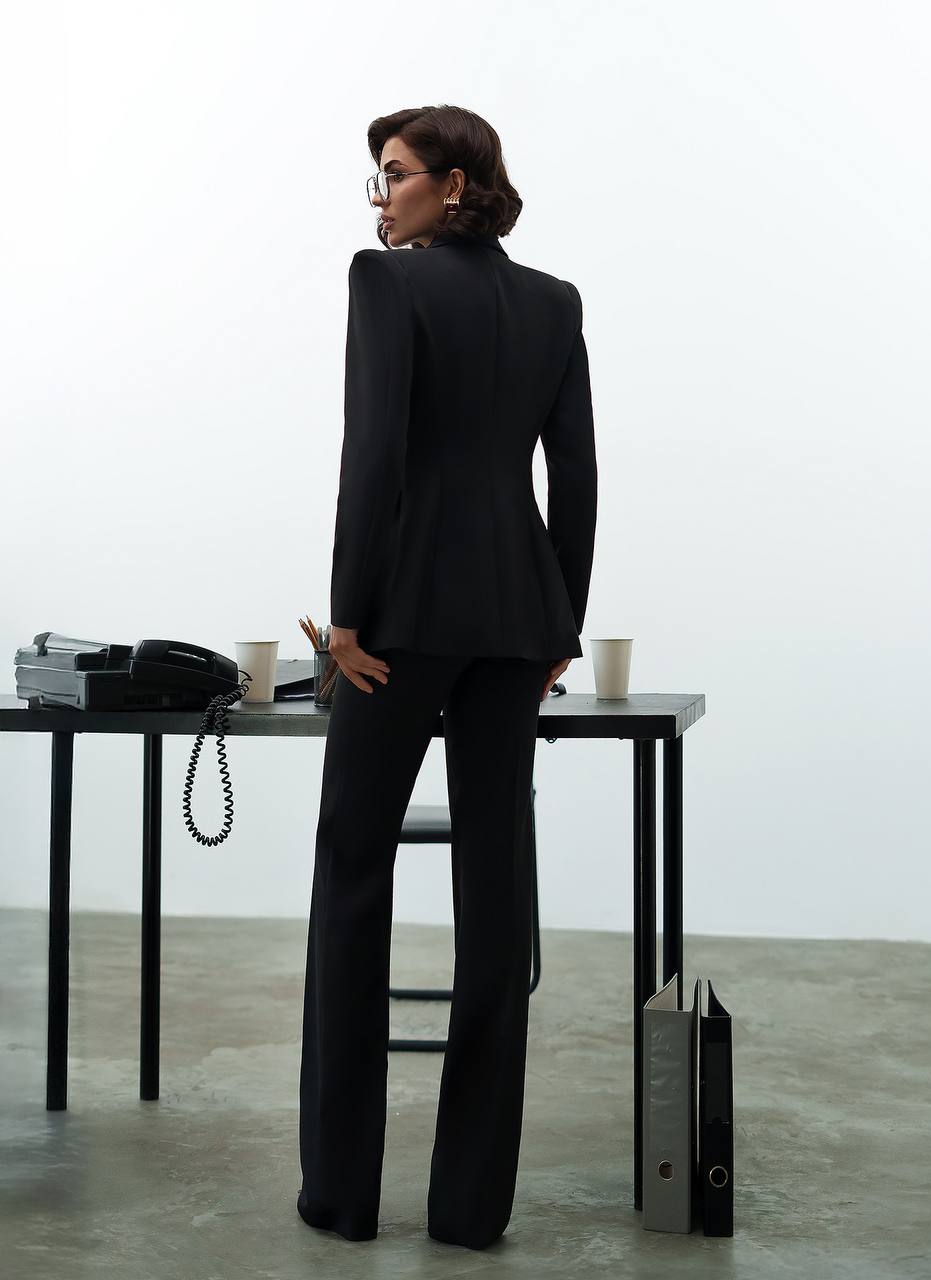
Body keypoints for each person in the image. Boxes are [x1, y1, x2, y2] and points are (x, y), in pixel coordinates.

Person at [296, 104, 598, 1251]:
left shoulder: (388, 286)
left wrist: (346, 622)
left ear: (457, 185)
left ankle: (341, 1194)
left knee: (351, 876)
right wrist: (559, 619)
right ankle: (471, 1209)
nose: (383, 199)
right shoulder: (553, 302)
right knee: (493, 900)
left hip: (405, 621)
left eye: (396, 175)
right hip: (515, 620)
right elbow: (571, 466)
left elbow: (368, 462)